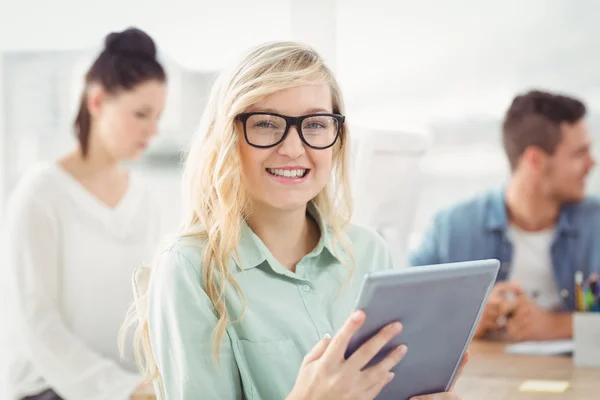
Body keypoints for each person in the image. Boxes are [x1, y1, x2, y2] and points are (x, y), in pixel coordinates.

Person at [124, 41, 464, 400]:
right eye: (267, 124)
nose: (292, 148)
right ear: (227, 138)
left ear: (337, 140)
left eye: (316, 124)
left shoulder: (369, 252)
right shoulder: (189, 270)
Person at [4, 27, 167, 400]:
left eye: (158, 116)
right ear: (97, 102)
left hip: (135, 388)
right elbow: (39, 325)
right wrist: (123, 390)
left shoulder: (147, 200)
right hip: (49, 390)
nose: (153, 130)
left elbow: (151, 310)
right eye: (141, 114)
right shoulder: (40, 195)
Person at [410, 90, 600, 342]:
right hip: (485, 379)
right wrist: (465, 321)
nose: (592, 163)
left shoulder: (595, 224)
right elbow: (407, 316)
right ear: (535, 160)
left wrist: (554, 326)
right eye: (579, 153)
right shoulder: (451, 229)